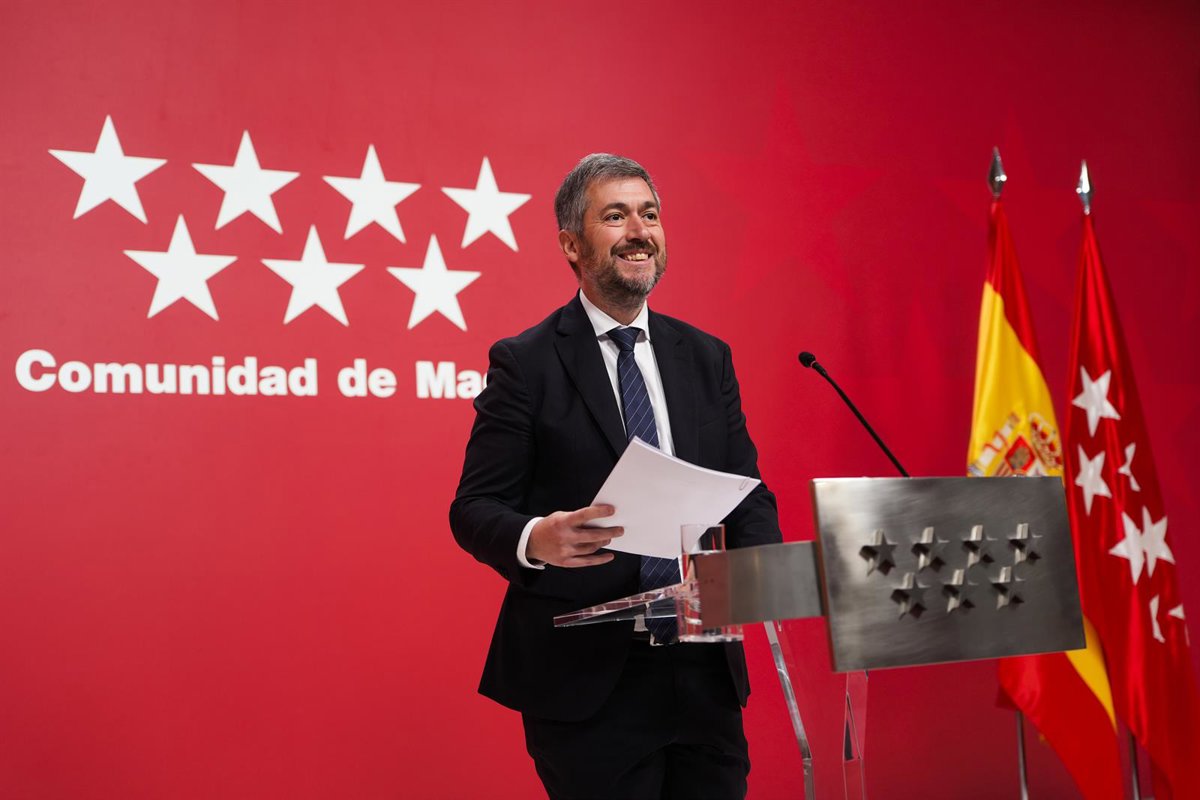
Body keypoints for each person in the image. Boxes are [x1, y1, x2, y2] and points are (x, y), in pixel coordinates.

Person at [449, 153, 782, 799]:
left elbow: (745, 492)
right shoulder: (525, 362)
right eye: (616, 216)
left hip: (702, 668)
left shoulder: (706, 356)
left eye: (649, 215)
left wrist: (766, 572)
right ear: (571, 245)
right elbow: (475, 507)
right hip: (587, 680)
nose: (639, 231)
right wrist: (537, 538)